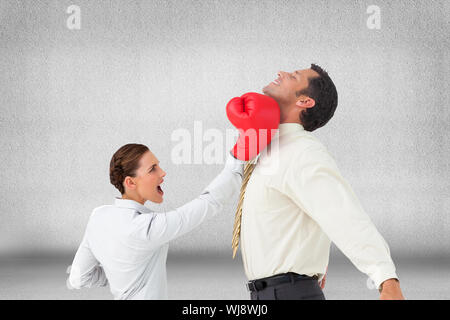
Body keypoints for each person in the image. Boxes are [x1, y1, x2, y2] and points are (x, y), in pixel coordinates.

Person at [231, 64, 405, 300]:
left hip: (288, 294)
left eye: (293, 76)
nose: (281, 72)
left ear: (304, 101)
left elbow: (343, 214)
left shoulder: (302, 152)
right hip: (273, 294)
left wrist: (386, 278)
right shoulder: (269, 149)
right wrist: (314, 258)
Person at [66, 143, 245, 299]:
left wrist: (120, 273)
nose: (163, 172)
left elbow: (78, 278)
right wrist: (237, 160)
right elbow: (210, 202)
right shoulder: (146, 228)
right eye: (153, 169)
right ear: (130, 182)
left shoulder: (98, 216)